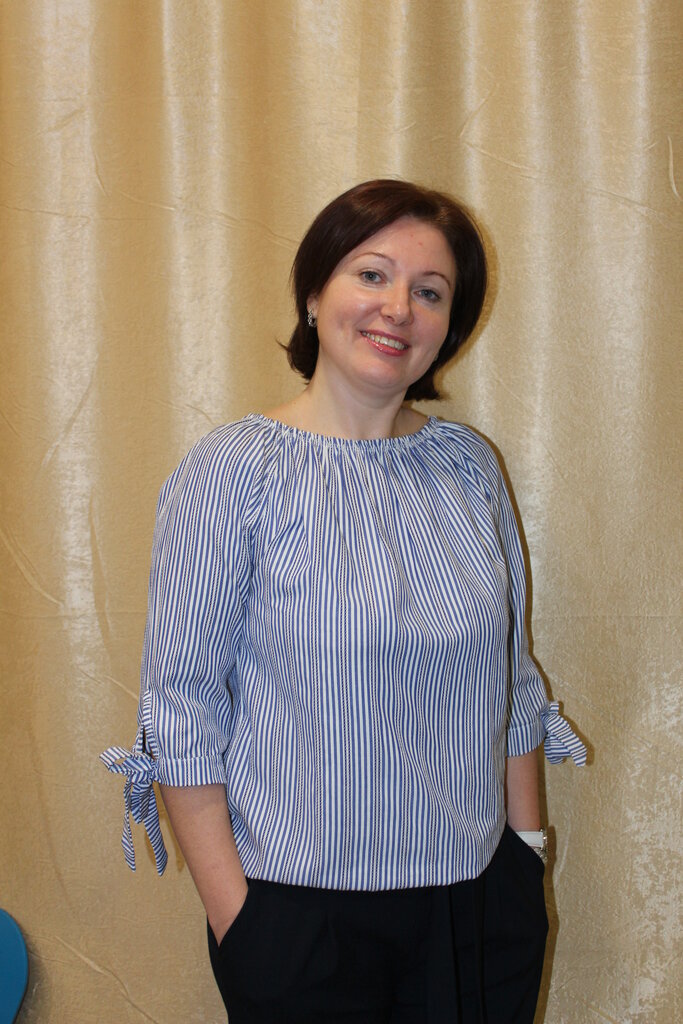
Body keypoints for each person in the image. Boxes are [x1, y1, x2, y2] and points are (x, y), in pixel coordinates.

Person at [101, 179, 586, 1023]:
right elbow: (180, 709)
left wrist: (526, 853)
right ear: (313, 292)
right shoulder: (234, 472)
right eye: (371, 274)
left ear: (449, 325)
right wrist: (240, 921)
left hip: (476, 905)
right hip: (299, 921)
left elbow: (510, 681)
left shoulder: (470, 468)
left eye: (429, 292)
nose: (398, 307)